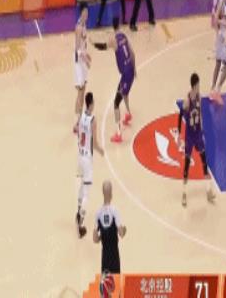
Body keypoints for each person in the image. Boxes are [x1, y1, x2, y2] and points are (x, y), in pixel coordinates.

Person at [93, 17, 136, 142]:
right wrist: (135, 69)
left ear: (112, 26)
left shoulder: (113, 39)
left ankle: (118, 134)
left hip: (126, 74)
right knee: (125, 93)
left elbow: (103, 47)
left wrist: (93, 43)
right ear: (119, 25)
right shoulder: (124, 35)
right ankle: (128, 114)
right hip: (131, 70)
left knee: (116, 103)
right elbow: (132, 53)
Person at [177, 73, 216, 207]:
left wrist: (202, 130)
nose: (199, 86)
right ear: (194, 85)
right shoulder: (187, 100)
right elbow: (180, 115)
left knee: (204, 162)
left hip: (198, 134)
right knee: (187, 166)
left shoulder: (199, 96)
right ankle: (184, 193)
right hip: (189, 136)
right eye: (198, 84)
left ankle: (208, 191)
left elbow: (200, 114)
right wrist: (179, 135)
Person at [76, 92, 104, 238]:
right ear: (91, 104)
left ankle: (78, 211)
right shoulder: (93, 120)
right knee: (86, 191)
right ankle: (80, 223)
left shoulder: (81, 116)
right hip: (87, 158)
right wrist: (101, 151)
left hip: (79, 156)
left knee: (81, 185)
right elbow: (95, 143)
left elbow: (76, 130)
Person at [93, 180, 127, 274]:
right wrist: (124, 229)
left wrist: (102, 236)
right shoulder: (115, 211)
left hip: (104, 259)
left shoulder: (98, 213)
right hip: (114, 258)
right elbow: (121, 234)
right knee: (116, 281)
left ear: (102, 193)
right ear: (111, 193)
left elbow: (95, 239)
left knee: (106, 282)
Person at [210, 0, 226, 105]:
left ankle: (212, 90)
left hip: (221, 37)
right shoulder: (221, 3)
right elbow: (216, 19)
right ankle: (217, 90)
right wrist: (222, 26)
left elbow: (223, 19)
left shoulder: (225, 3)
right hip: (220, 38)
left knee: (218, 63)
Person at [74, 2, 92, 133]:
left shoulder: (84, 24)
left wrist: (87, 54)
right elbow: (77, 49)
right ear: (80, 12)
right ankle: (77, 122)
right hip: (79, 62)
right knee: (80, 91)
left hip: (83, 59)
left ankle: (79, 117)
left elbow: (83, 44)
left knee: (83, 89)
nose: (86, 14)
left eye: (87, 12)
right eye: (84, 12)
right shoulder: (79, 27)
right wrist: (85, 58)